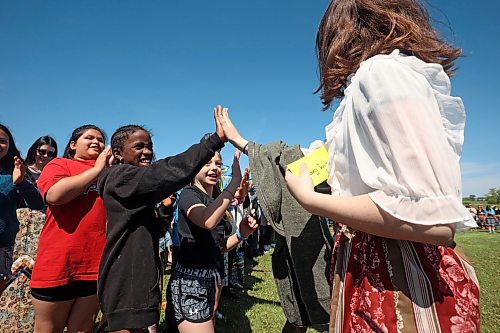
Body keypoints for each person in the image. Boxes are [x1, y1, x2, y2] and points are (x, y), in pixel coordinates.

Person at [217, 0, 480, 331]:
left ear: (340, 30)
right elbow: (307, 161)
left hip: (400, 281)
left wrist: (314, 202)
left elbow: (435, 224)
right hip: (365, 271)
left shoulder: (382, 74)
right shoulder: (368, 84)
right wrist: (243, 143)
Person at [97, 111, 232, 333]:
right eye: (138, 146)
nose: (147, 152)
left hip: (140, 279)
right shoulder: (120, 177)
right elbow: (166, 172)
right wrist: (213, 141)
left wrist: (165, 209)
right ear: (118, 153)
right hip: (125, 281)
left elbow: (154, 230)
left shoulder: (133, 187)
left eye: (149, 146)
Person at [167, 137, 258, 333]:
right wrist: (234, 182)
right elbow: (207, 221)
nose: (214, 168)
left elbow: (219, 246)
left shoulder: (215, 200)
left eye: (218, 163)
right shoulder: (189, 195)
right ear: (194, 167)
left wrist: (242, 234)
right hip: (190, 283)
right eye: (206, 163)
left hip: (212, 278)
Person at [30, 125, 112, 333]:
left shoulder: (109, 173)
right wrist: (95, 171)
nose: (96, 142)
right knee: (48, 329)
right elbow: (55, 196)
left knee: (83, 328)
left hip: (94, 265)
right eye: (89, 138)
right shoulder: (59, 164)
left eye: (101, 139)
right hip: (58, 264)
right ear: (73, 145)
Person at [0, 124, 44, 294]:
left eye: (3, 141)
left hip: (3, 245)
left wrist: (21, 182)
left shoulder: (13, 173)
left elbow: (37, 205)